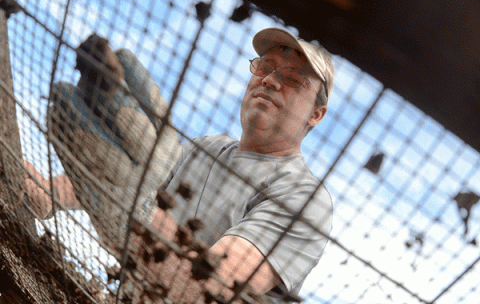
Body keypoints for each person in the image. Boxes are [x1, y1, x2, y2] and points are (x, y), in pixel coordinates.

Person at [23, 27, 334, 303]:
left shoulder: (304, 196)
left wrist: (134, 211)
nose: (269, 80)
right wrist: (49, 192)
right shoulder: (205, 148)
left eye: (293, 79)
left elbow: (216, 287)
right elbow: (122, 177)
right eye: (266, 67)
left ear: (315, 115)